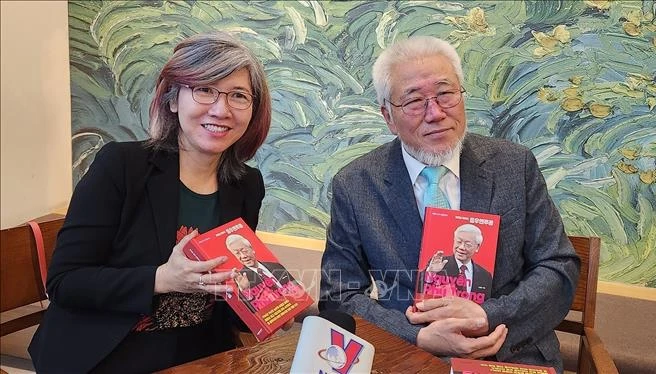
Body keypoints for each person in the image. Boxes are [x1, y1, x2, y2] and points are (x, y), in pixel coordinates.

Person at [319, 35, 580, 372]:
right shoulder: (356, 185)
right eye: (414, 100)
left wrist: (489, 316)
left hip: (509, 351)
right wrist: (416, 336)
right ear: (388, 116)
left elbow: (559, 267)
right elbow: (337, 295)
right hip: (408, 358)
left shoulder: (515, 165)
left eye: (445, 93)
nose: (435, 113)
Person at [29, 31, 272, 373]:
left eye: (238, 95)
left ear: (253, 110)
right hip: (106, 352)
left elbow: (228, 288)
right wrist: (162, 278)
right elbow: (65, 282)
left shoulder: (247, 184)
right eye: (204, 89)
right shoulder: (121, 166)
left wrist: (276, 304)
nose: (222, 109)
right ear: (173, 100)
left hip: (199, 353)